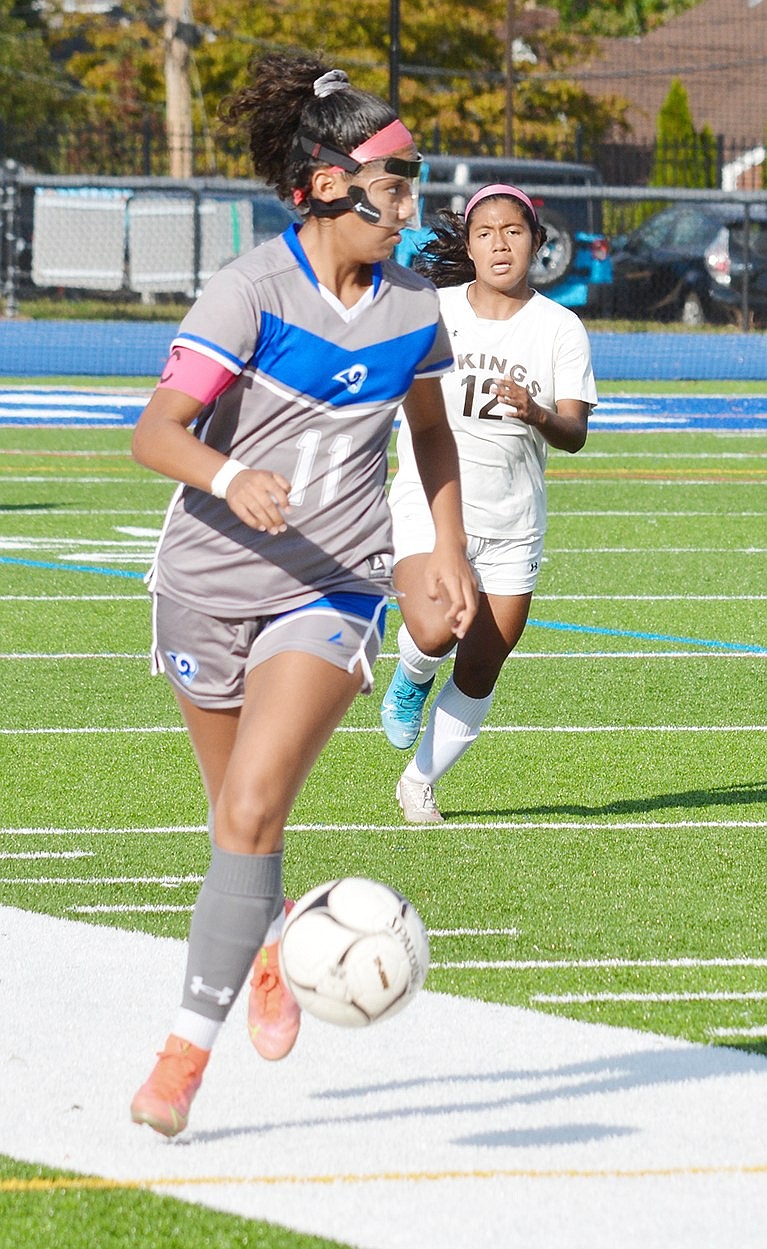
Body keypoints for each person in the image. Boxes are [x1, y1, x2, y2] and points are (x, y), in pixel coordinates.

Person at [129, 49, 477, 1137]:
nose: (412, 202)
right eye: (397, 179)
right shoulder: (248, 291)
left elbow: (429, 436)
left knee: (252, 808)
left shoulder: (415, 303)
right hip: (201, 586)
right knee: (236, 824)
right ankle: (272, 936)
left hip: (329, 588)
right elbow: (156, 434)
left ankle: (180, 1061)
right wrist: (233, 476)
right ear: (328, 183)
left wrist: (444, 552)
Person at [381, 184, 597, 822]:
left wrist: (536, 412)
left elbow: (576, 433)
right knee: (433, 628)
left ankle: (419, 784)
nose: (499, 244)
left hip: (514, 522)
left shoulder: (561, 327)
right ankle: (412, 676)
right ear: (468, 245)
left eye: (513, 231)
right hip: (429, 502)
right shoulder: (433, 309)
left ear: (536, 240)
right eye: (484, 233)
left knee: (481, 665)